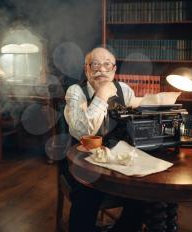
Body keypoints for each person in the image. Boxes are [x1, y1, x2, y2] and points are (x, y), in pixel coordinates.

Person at [63, 47, 144, 232]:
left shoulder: (124, 89)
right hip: (81, 162)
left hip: (117, 163)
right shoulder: (75, 92)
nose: (101, 70)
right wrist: (101, 95)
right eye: (95, 65)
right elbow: (82, 132)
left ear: (114, 70)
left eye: (107, 65)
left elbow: (137, 120)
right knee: (88, 196)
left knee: (144, 194)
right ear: (87, 70)